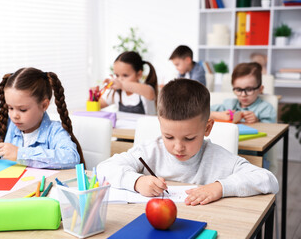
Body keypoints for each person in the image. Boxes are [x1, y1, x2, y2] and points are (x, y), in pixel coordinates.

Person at [97, 79, 278, 206]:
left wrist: (220, 187)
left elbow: (268, 180)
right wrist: (137, 182)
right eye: (169, 137)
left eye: (189, 138)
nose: (178, 147)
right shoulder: (150, 151)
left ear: (207, 128)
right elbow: (104, 168)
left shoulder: (218, 158)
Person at [0, 67, 84, 169]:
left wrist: (20, 154)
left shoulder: (55, 131)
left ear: (44, 105)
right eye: (10, 108)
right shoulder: (7, 127)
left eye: (22, 109)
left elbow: (71, 157)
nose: (14, 116)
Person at [210, 62, 276, 124]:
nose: (243, 95)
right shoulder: (229, 104)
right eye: (238, 90)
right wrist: (217, 115)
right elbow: (203, 112)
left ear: (260, 89)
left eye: (249, 89)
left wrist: (257, 121)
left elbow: (272, 130)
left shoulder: (266, 108)